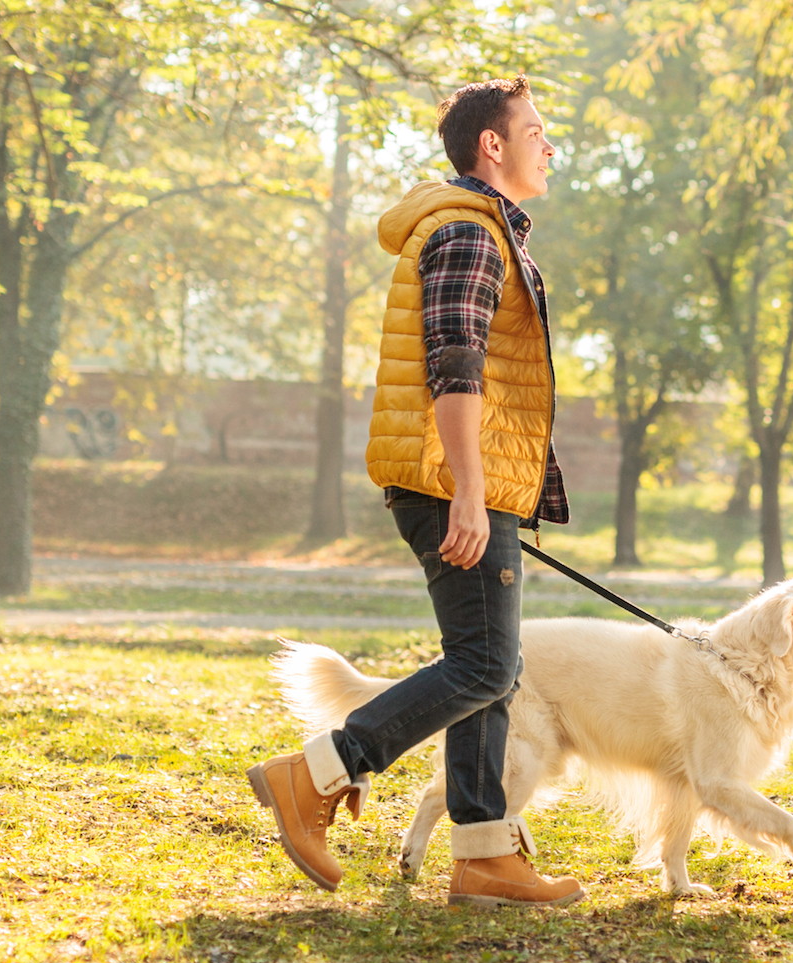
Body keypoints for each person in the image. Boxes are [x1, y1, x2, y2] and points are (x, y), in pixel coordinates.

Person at [246, 76, 582, 907]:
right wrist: (471, 489)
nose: (550, 144)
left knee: (492, 671)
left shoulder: (485, 228)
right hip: (449, 483)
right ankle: (316, 772)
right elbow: (455, 360)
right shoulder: (470, 231)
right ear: (491, 145)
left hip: (470, 482)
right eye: (535, 130)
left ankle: (482, 854)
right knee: (487, 663)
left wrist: (499, 486)